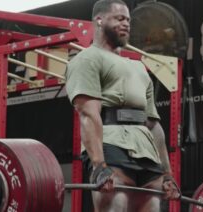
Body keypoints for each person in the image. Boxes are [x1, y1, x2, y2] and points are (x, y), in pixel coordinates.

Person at [65, 0, 180, 211]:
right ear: (99, 20)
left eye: (128, 20)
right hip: (111, 145)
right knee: (117, 202)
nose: (126, 23)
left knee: (153, 205)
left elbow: (153, 125)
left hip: (145, 150)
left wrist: (168, 174)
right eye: (119, 18)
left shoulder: (139, 68)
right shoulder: (87, 59)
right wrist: (99, 165)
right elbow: (88, 114)